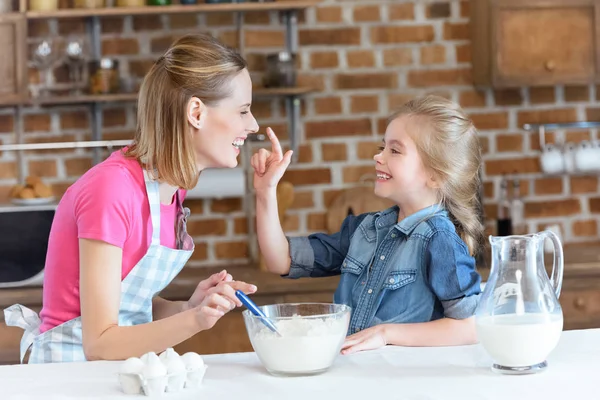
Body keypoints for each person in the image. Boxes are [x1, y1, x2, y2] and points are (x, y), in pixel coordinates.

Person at [4, 33, 260, 363]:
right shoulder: (112, 190)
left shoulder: (170, 190)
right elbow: (100, 344)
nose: (252, 125)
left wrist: (188, 307)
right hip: (69, 375)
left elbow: (129, 308)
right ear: (195, 112)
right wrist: (194, 321)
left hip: (122, 372)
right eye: (243, 111)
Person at [252, 95, 483, 355]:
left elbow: (470, 328)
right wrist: (265, 192)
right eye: (382, 147)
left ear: (435, 175)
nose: (378, 156)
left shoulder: (440, 239)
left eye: (394, 150)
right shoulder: (364, 230)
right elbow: (280, 259)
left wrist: (386, 334)